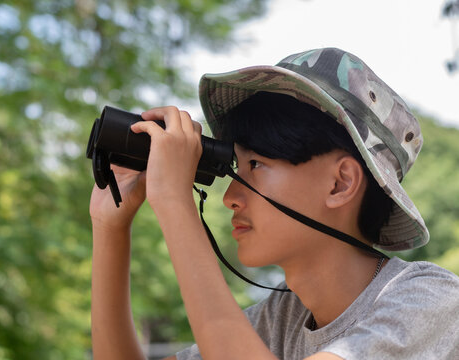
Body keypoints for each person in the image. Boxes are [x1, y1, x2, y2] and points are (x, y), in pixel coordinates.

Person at [89, 47, 459, 359]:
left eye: (255, 164)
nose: (230, 198)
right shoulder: (280, 320)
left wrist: (174, 201)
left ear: (340, 183)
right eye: (237, 166)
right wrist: (110, 227)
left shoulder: (428, 300)